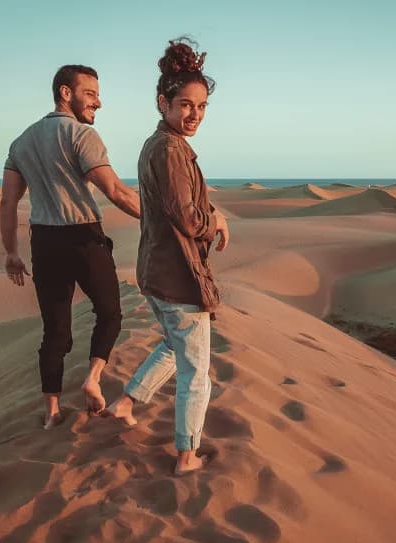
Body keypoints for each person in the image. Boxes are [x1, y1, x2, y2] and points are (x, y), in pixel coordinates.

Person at [105, 38, 229, 476]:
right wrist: (212, 222)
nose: (194, 114)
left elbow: (183, 206)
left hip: (157, 271)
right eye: (185, 104)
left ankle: (125, 404)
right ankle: (187, 455)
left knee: (175, 347)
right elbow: (184, 214)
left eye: (202, 106)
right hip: (177, 276)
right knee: (197, 373)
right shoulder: (171, 149)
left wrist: (211, 214)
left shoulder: (160, 144)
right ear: (163, 102)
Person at [0, 64, 141, 430]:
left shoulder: (21, 142)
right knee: (110, 312)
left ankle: (52, 412)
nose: (99, 102)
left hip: (44, 243)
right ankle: (93, 377)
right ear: (66, 93)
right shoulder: (82, 135)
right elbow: (116, 191)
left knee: (55, 331)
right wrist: (160, 219)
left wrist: (11, 253)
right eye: (91, 93)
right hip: (83, 237)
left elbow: (8, 204)